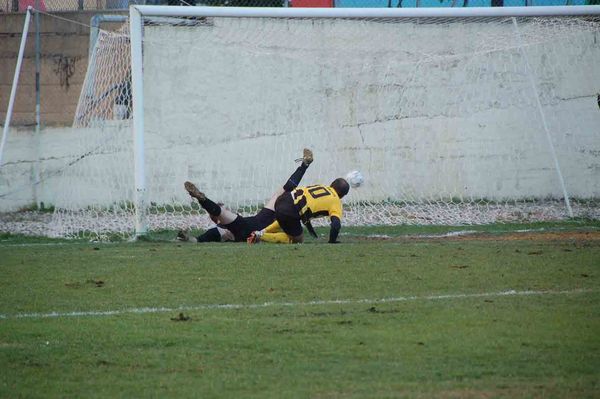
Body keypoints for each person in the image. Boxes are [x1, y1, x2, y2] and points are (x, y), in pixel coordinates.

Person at [177, 148, 313, 243]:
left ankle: (203, 199)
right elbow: (200, 238)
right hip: (259, 222)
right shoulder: (219, 229)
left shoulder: (219, 230)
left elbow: (197, 240)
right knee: (283, 191)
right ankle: (305, 165)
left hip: (253, 225)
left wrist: (186, 238)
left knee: (281, 191)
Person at [248, 178, 350, 245]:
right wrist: (332, 241)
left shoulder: (322, 186)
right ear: (342, 195)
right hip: (290, 210)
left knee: (286, 220)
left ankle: (262, 231)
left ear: (332, 184)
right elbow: (336, 225)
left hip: (283, 199)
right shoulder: (336, 201)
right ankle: (260, 236)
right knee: (297, 239)